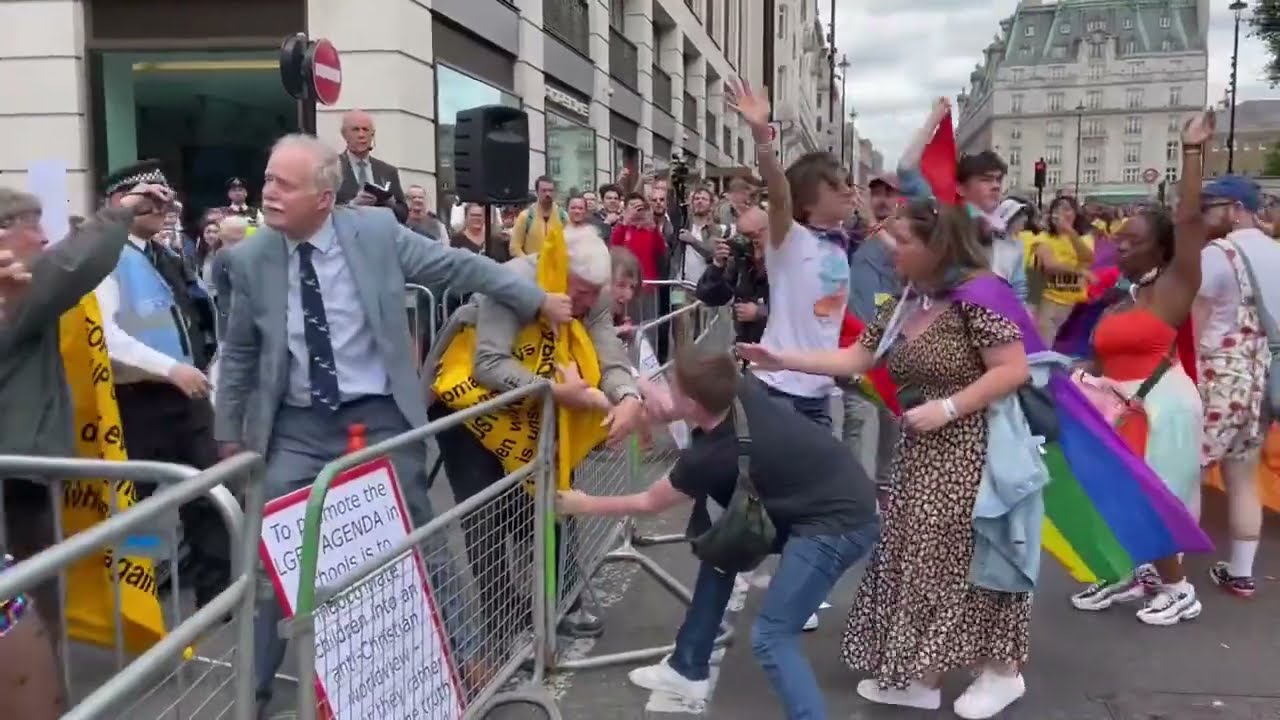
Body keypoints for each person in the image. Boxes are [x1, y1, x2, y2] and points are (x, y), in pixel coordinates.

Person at [212, 133, 572, 713]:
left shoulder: (376, 233)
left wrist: (534, 299)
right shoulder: (250, 260)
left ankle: (468, 661)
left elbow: (459, 264)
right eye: (268, 179)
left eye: (284, 184)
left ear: (323, 198)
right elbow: (239, 353)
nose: (268, 193)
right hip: (297, 426)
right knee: (273, 556)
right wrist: (229, 435)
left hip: (379, 414)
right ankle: (249, 695)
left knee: (420, 536)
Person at [740, 199, 1034, 718]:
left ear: (936, 245)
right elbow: (857, 356)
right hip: (920, 454)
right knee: (918, 560)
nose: (889, 248)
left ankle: (1001, 670)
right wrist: (781, 357)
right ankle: (923, 674)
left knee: (968, 561)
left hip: (973, 451)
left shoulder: (979, 294)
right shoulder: (906, 301)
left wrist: (949, 407)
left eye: (902, 240)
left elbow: (1013, 369)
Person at [557, 349, 880, 718]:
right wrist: (642, 395)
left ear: (692, 404)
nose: (665, 391)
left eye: (671, 387)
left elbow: (649, 502)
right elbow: (676, 406)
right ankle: (687, 667)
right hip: (827, 494)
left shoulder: (709, 457)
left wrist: (584, 503)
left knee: (772, 636)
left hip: (840, 523)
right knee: (723, 548)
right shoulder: (736, 390)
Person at [0, 183, 170, 720]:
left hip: (27, 466)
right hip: (17, 474)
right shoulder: (15, 292)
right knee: (29, 599)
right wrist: (118, 213)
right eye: (31, 226)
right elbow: (71, 268)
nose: (42, 237)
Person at [1066, 113, 1213, 624]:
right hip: (1119, 407)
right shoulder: (1120, 300)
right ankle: (1126, 571)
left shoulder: (1174, 288)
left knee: (1153, 498)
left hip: (1161, 409)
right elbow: (1101, 358)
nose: (1121, 245)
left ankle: (1178, 588)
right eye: (1119, 238)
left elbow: (1189, 222)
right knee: (1109, 493)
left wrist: (1190, 152)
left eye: (1134, 240)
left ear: (1162, 249)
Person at [95, 161, 226, 607]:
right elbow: (107, 336)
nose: (162, 207)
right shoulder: (105, 256)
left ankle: (218, 600)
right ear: (120, 201)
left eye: (166, 199)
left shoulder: (164, 255)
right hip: (137, 402)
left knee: (212, 497)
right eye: (151, 199)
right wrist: (170, 369)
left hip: (186, 400)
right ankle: (139, 600)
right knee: (135, 508)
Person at [724, 78, 853, 430]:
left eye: (848, 183)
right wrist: (761, 137)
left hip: (819, 393)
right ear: (808, 199)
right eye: (837, 185)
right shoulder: (790, 238)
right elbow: (779, 192)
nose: (848, 191)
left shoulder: (839, 241)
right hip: (777, 390)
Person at [1197, 172, 1280, 598]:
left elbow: (1198, 318)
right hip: (1260, 378)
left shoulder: (1218, 253)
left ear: (1235, 209)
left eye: (1209, 207)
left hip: (1220, 376)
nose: (1203, 216)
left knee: (1185, 470)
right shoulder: (1276, 251)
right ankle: (1241, 572)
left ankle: (1163, 570)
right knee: (1243, 474)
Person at [695, 207, 770, 344]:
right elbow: (709, 296)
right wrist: (717, 266)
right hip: (746, 343)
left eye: (753, 236)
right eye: (743, 236)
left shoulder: (786, 259)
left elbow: (800, 309)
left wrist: (760, 312)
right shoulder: (742, 258)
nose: (748, 242)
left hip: (780, 346)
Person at [1029, 196, 1095, 342]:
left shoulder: (1084, 238)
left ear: (1075, 214)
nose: (1061, 213)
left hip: (1074, 302)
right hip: (1049, 300)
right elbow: (1050, 265)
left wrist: (1070, 232)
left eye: (1066, 209)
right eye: (1056, 209)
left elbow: (1087, 258)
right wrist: (1080, 272)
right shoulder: (1043, 237)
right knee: (1044, 343)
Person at [335, 109, 409, 223]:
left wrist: (391, 204)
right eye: (355, 129)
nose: (361, 135)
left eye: (365, 130)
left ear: (372, 135)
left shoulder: (388, 171)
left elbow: (403, 214)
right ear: (344, 134)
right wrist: (352, 205)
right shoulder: (333, 167)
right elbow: (322, 211)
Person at [510, 175, 566, 257]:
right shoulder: (526, 216)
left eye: (550, 190)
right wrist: (528, 261)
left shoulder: (563, 216)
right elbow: (514, 247)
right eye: (544, 191)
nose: (548, 194)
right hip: (532, 264)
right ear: (537, 192)